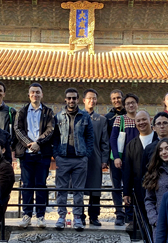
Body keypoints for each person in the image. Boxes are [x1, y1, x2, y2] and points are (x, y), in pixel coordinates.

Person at [53, 88, 94, 231]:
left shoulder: (85, 116)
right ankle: (61, 216)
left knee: (79, 190)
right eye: (69, 98)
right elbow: (55, 137)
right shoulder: (58, 117)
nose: (71, 100)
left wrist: (86, 154)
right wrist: (56, 155)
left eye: (74, 98)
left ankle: (77, 216)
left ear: (78, 100)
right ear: (65, 99)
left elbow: (90, 137)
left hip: (80, 158)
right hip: (63, 157)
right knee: (61, 189)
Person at [14, 83, 54, 229]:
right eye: (32, 92)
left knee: (41, 185)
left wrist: (38, 143)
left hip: (43, 154)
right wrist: (29, 144)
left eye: (38, 92)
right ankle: (27, 215)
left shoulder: (48, 112)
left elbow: (51, 129)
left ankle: (41, 215)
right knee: (27, 184)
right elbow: (17, 129)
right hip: (26, 154)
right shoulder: (22, 111)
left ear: (42, 95)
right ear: (29, 94)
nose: (35, 95)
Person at [122, 110, 155, 231]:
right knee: (143, 218)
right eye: (138, 121)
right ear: (135, 123)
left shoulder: (159, 141)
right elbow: (127, 170)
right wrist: (126, 192)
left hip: (158, 186)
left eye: (144, 119)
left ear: (150, 120)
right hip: (139, 187)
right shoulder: (131, 145)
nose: (141, 122)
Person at [110, 93, 140, 225]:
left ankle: (132, 215)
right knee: (118, 187)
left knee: (133, 187)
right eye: (127, 103)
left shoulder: (141, 119)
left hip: (137, 159)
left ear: (137, 104)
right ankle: (120, 213)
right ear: (124, 106)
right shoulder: (120, 119)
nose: (130, 105)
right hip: (122, 159)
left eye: (133, 103)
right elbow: (113, 139)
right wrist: (116, 157)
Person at [82, 89, 109, 227]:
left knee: (95, 189)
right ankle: (79, 215)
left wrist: (104, 159)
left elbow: (105, 141)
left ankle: (94, 216)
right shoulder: (78, 117)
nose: (91, 101)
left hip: (95, 157)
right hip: (79, 158)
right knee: (79, 188)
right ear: (84, 100)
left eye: (94, 98)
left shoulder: (101, 120)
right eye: (89, 98)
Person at [143, 137, 168, 228]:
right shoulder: (154, 173)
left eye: (167, 149)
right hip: (161, 223)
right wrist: (154, 220)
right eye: (161, 150)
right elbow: (149, 200)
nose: (164, 152)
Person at [104, 89, 126, 226]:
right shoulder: (108, 117)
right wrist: (106, 158)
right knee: (116, 186)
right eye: (114, 98)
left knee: (130, 185)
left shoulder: (130, 114)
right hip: (114, 156)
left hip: (129, 156)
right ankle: (119, 213)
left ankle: (130, 212)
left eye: (118, 97)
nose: (116, 100)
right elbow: (106, 139)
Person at [0, 80, 17, 150]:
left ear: (4, 94)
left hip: (5, 148)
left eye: (0, 90)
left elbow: (15, 132)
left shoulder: (11, 111)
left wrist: (11, 145)